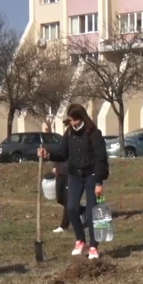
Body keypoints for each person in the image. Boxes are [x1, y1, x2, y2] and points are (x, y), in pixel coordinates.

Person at [39, 104, 109, 260]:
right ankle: (80, 240)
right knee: (71, 208)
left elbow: (101, 158)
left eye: (74, 120)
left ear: (81, 118)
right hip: (75, 176)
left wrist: (99, 182)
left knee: (92, 213)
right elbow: (62, 154)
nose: (72, 124)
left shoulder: (94, 134)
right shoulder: (69, 133)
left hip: (91, 175)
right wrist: (48, 154)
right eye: (70, 121)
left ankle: (93, 247)